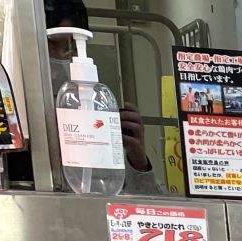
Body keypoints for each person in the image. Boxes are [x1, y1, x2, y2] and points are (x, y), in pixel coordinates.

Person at [43, 0, 161, 193]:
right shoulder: (19, 115)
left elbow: (144, 201)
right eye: (53, 45)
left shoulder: (99, 109)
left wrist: (138, 162)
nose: (63, 57)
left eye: (72, 47)